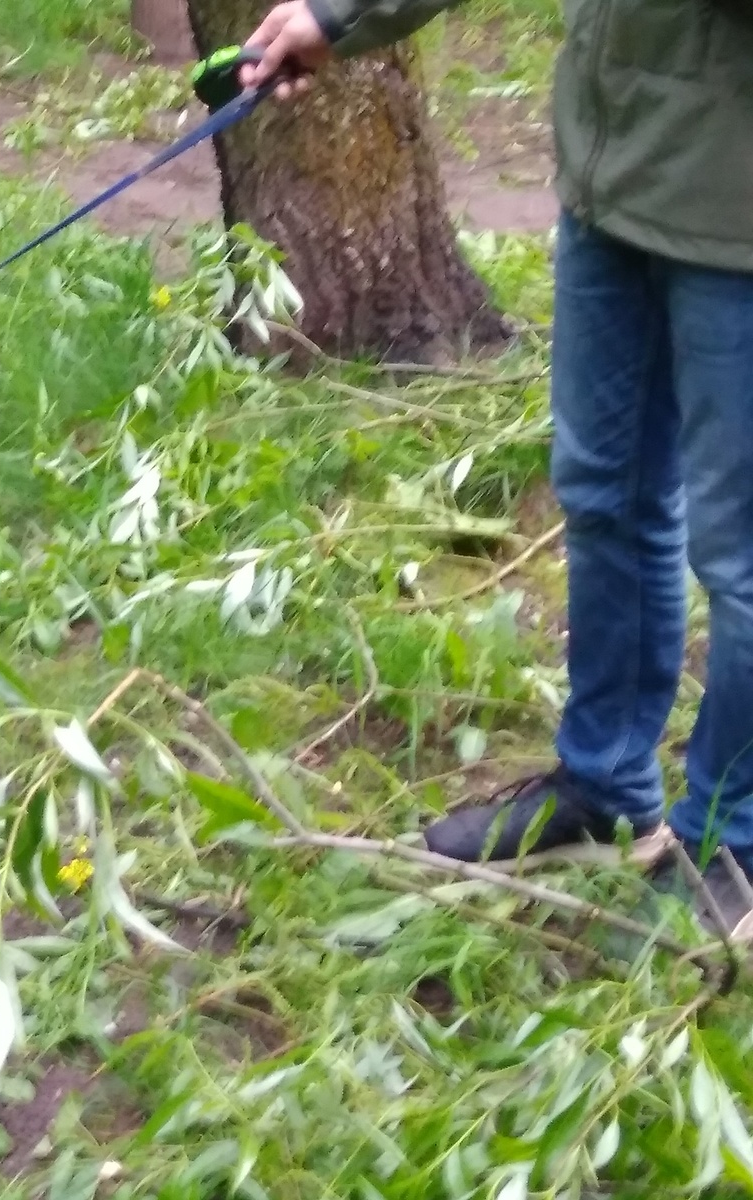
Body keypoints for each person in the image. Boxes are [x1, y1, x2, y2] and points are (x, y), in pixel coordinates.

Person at [239, 0, 753, 931]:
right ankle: (605, 791)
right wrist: (338, 17)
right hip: (618, 180)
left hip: (737, 216)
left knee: (744, 562)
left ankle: (734, 846)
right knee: (605, 495)